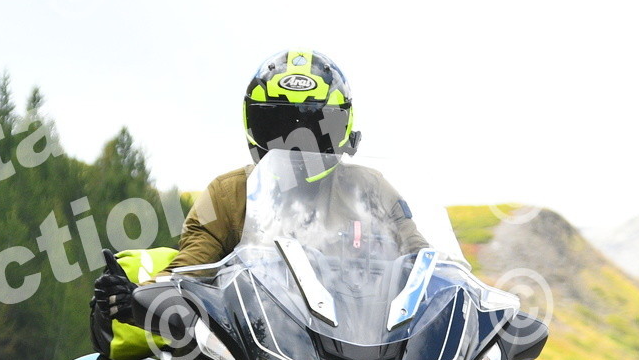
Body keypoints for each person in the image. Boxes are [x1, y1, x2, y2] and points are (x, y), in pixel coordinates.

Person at [93, 48, 425, 325]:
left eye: (314, 129)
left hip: (368, 349)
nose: (297, 147)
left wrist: (448, 290)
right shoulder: (228, 194)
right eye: (278, 126)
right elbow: (190, 269)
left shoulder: (371, 190)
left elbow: (425, 263)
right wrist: (136, 297)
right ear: (254, 127)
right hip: (261, 345)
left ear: (343, 129)